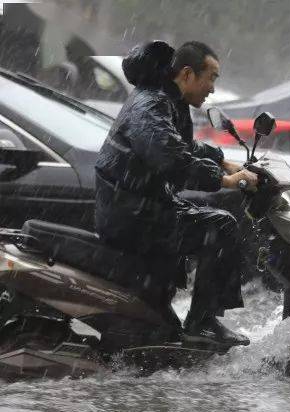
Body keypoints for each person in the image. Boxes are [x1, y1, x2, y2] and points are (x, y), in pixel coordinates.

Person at [94, 40, 258, 346]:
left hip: (140, 209)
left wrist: (224, 160)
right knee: (220, 225)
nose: (211, 89)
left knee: (201, 218)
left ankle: (164, 320)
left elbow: (183, 145)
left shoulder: (165, 99)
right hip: (132, 216)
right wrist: (228, 182)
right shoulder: (152, 105)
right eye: (211, 78)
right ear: (187, 74)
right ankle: (203, 322)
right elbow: (170, 159)